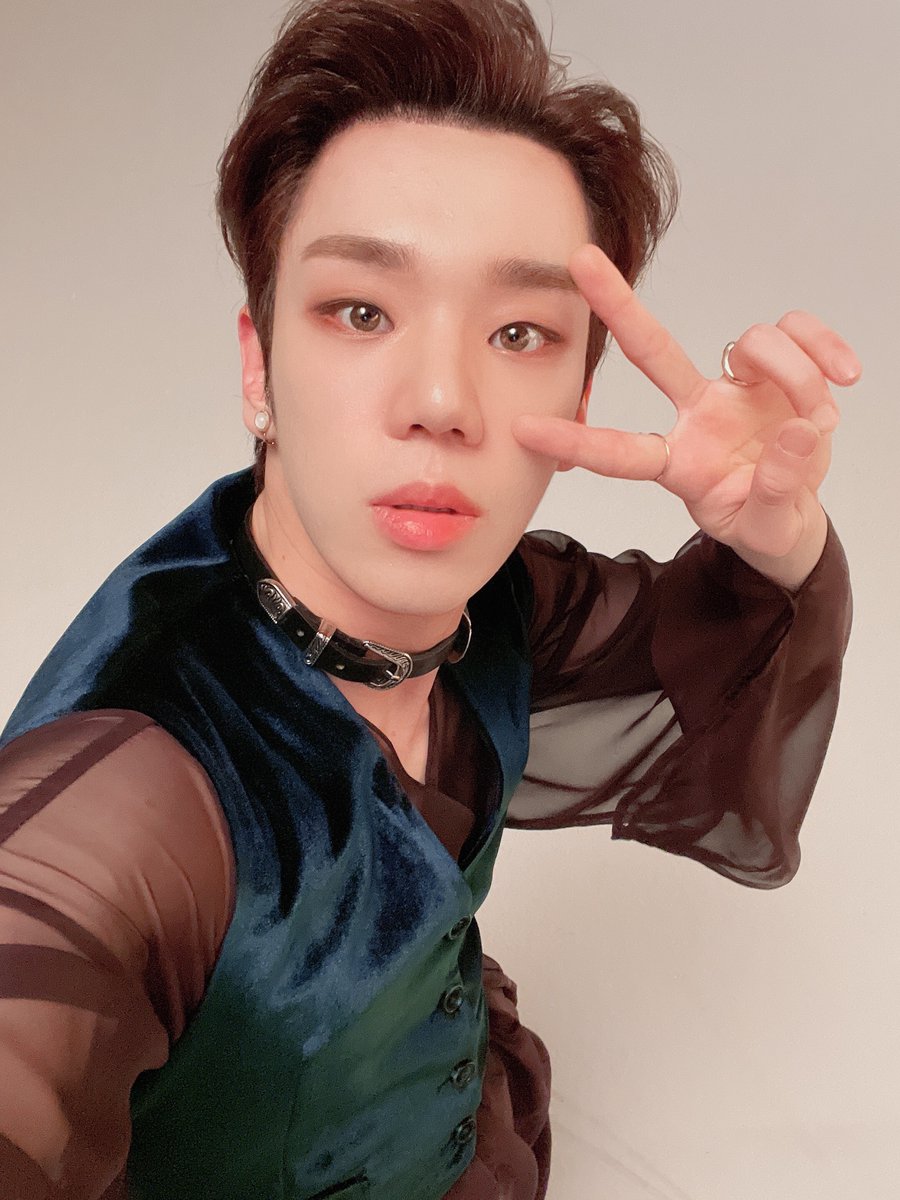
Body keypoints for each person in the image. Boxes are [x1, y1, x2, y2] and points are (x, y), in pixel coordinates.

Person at [0, 1, 856, 1197]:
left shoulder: (502, 597)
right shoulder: (128, 798)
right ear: (257, 363)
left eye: (520, 332)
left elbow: (709, 657)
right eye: (361, 311)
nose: (443, 401)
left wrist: (773, 534)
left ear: (581, 393)